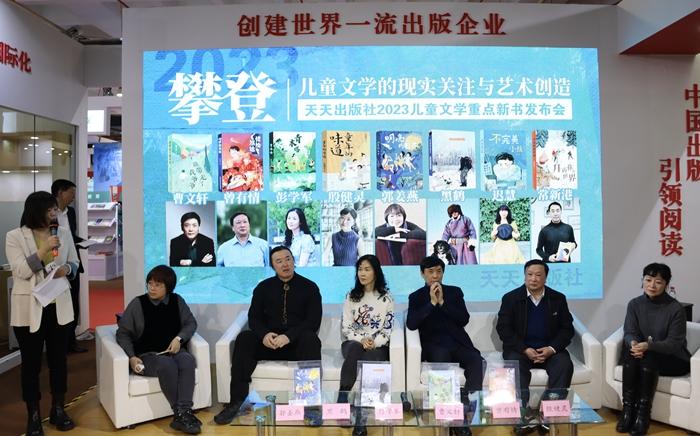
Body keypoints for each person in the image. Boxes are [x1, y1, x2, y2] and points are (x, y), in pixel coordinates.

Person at [214, 246, 322, 424]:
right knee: (245, 338)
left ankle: (310, 406)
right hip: (269, 344)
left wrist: (288, 336)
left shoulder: (309, 287)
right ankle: (236, 403)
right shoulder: (263, 287)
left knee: (310, 339)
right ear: (272, 266)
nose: (285, 264)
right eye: (279, 261)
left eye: (288, 259)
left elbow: (313, 321)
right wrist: (264, 335)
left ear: (293, 261)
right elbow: (254, 318)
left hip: (295, 345)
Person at [6, 191, 80, 436]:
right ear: (36, 211)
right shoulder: (15, 236)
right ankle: (34, 416)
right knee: (31, 365)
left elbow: (75, 263)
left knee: (59, 361)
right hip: (29, 308)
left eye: (54, 210)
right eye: (50, 210)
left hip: (58, 304)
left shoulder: (63, 233)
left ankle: (58, 409)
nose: (54, 214)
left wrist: (66, 268)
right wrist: (43, 249)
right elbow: (20, 271)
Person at [116, 265, 201, 434]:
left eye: (158, 285)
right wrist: (131, 357)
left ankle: (183, 412)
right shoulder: (138, 303)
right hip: (147, 356)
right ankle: (181, 414)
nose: (152, 288)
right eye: (150, 284)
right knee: (166, 365)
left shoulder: (177, 301)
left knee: (187, 360)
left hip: (173, 352)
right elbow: (122, 333)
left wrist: (179, 339)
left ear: (168, 287)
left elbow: (191, 323)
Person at [406, 256, 484, 436]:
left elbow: (463, 319)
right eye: (430, 272)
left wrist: (442, 302)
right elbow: (411, 323)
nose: (435, 276)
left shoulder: (455, 292)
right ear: (422, 274)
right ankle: (450, 417)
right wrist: (432, 303)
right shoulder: (416, 297)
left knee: (476, 361)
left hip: (458, 342)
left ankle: (467, 409)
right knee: (441, 362)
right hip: (434, 345)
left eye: (438, 271)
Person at [496, 259, 574, 432]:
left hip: (550, 350)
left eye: (538, 275)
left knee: (564, 364)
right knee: (514, 366)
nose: (533, 279)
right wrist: (524, 349)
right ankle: (521, 415)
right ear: (524, 276)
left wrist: (551, 349)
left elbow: (567, 329)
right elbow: (504, 329)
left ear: (546, 277)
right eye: (530, 274)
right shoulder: (511, 298)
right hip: (521, 350)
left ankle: (549, 414)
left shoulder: (558, 298)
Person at [616, 263, 690, 436]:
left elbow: (674, 343)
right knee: (632, 357)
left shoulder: (676, 309)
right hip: (643, 354)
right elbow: (629, 332)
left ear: (666, 284)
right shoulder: (634, 304)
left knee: (648, 359)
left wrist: (649, 346)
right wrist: (634, 343)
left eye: (658, 282)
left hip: (673, 358)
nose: (652, 285)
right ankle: (628, 411)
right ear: (642, 280)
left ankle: (643, 415)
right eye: (648, 280)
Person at [339, 254, 393, 436]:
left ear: (376, 272)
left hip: (377, 346)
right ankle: (343, 399)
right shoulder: (351, 296)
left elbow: (387, 329)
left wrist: (374, 342)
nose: (362, 273)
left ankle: (361, 419)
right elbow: (346, 327)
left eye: (367, 269)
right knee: (355, 348)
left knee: (371, 358)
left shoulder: (386, 298)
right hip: (353, 343)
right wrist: (361, 339)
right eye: (360, 269)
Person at [51, 179, 87, 353]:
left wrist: (84, 242)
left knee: (73, 302)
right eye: (71, 192)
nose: (73, 196)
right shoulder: (48, 212)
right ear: (60, 192)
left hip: (71, 264)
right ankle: (58, 343)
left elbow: (71, 236)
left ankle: (70, 341)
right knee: (57, 305)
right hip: (53, 266)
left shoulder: (70, 212)